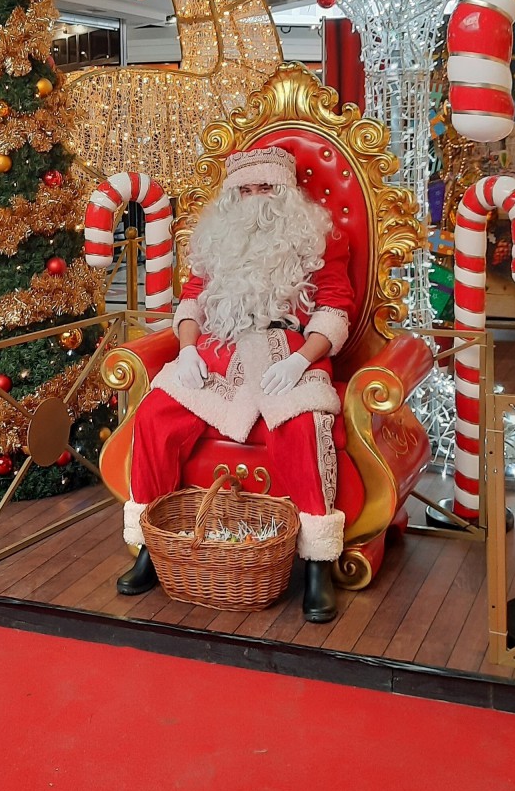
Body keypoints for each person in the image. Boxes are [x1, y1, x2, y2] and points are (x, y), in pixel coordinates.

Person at [117, 145, 352, 623]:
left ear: (285, 191)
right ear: (232, 196)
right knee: (155, 414)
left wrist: (302, 360)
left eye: (265, 187)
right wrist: (185, 350)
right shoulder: (214, 242)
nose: (255, 198)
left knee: (301, 424)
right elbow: (192, 301)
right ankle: (150, 546)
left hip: (288, 350)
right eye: (245, 189)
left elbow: (334, 307)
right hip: (217, 351)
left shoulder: (319, 240)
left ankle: (317, 563)